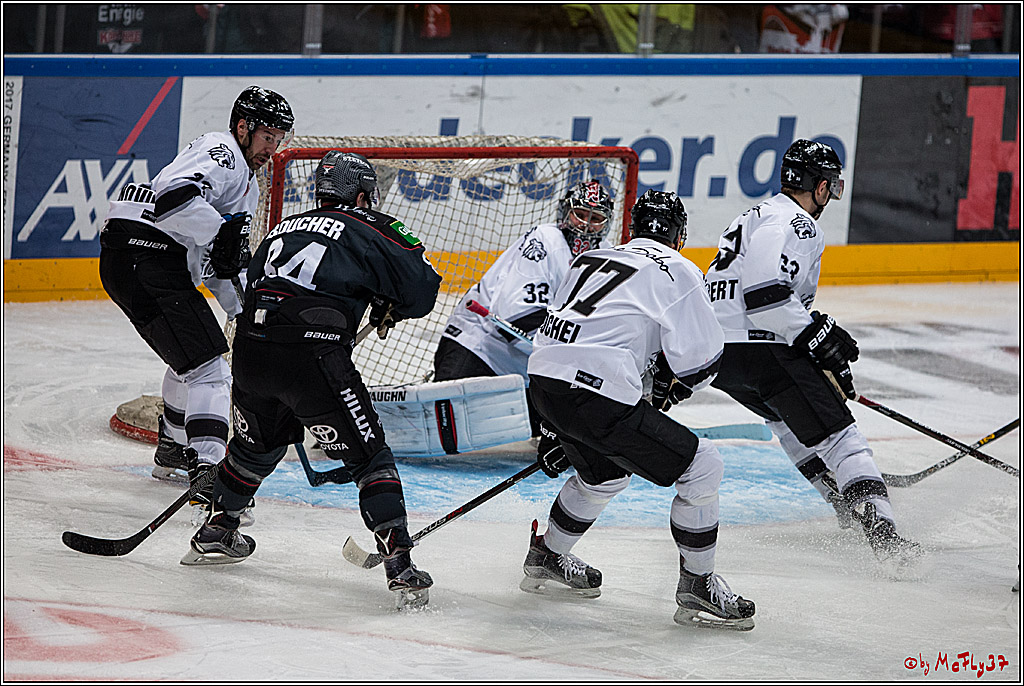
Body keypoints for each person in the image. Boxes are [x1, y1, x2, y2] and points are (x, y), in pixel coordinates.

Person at [181, 151, 442, 609]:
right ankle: (399, 563)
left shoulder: (283, 227)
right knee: (370, 457)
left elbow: (259, 283)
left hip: (252, 353)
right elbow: (423, 289)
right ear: (361, 195)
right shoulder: (371, 224)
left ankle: (218, 529)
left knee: (254, 447)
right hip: (313, 357)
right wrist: (388, 302)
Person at [520, 189, 756, 631]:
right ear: (679, 235)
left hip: (544, 385)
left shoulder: (589, 259)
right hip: (595, 395)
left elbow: (575, 334)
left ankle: (547, 555)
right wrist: (668, 382)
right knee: (703, 467)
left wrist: (559, 427)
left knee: (603, 474)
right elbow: (700, 366)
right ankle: (698, 585)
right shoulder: (679, 269)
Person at [705, 139, 921, 563]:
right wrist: (815, 340)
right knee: (842, 436)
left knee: (788, 423)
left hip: (723, 358)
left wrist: (812, 342)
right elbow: (766, 296)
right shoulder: (799, 223)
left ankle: (844, 501)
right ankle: (885, 539)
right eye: (831, 187)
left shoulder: (754, 215)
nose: (831, 197)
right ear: (819, 187)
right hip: (761, 346)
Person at [99, 85, 294, 511]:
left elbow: (222, 265)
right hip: (145, 252)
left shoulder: (246, 187)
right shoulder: (221, 149)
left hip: (136, 260)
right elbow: (171, 195)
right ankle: (209, 471)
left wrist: (250, 313)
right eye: (267, 137)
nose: (272, 148)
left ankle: (173, 444)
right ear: (243, 128)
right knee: (209, 371)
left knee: (190, 361)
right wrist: (220, 232)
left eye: (280, 140)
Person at [433, 179, 614, 437]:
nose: (586, 225)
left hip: (531, 364)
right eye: (580, 214)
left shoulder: (607, 257)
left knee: (564, 428)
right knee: (446, 426)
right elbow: (516, 317)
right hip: (479, 345)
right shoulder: (545, 240)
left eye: (595, 218)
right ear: (565, 212)